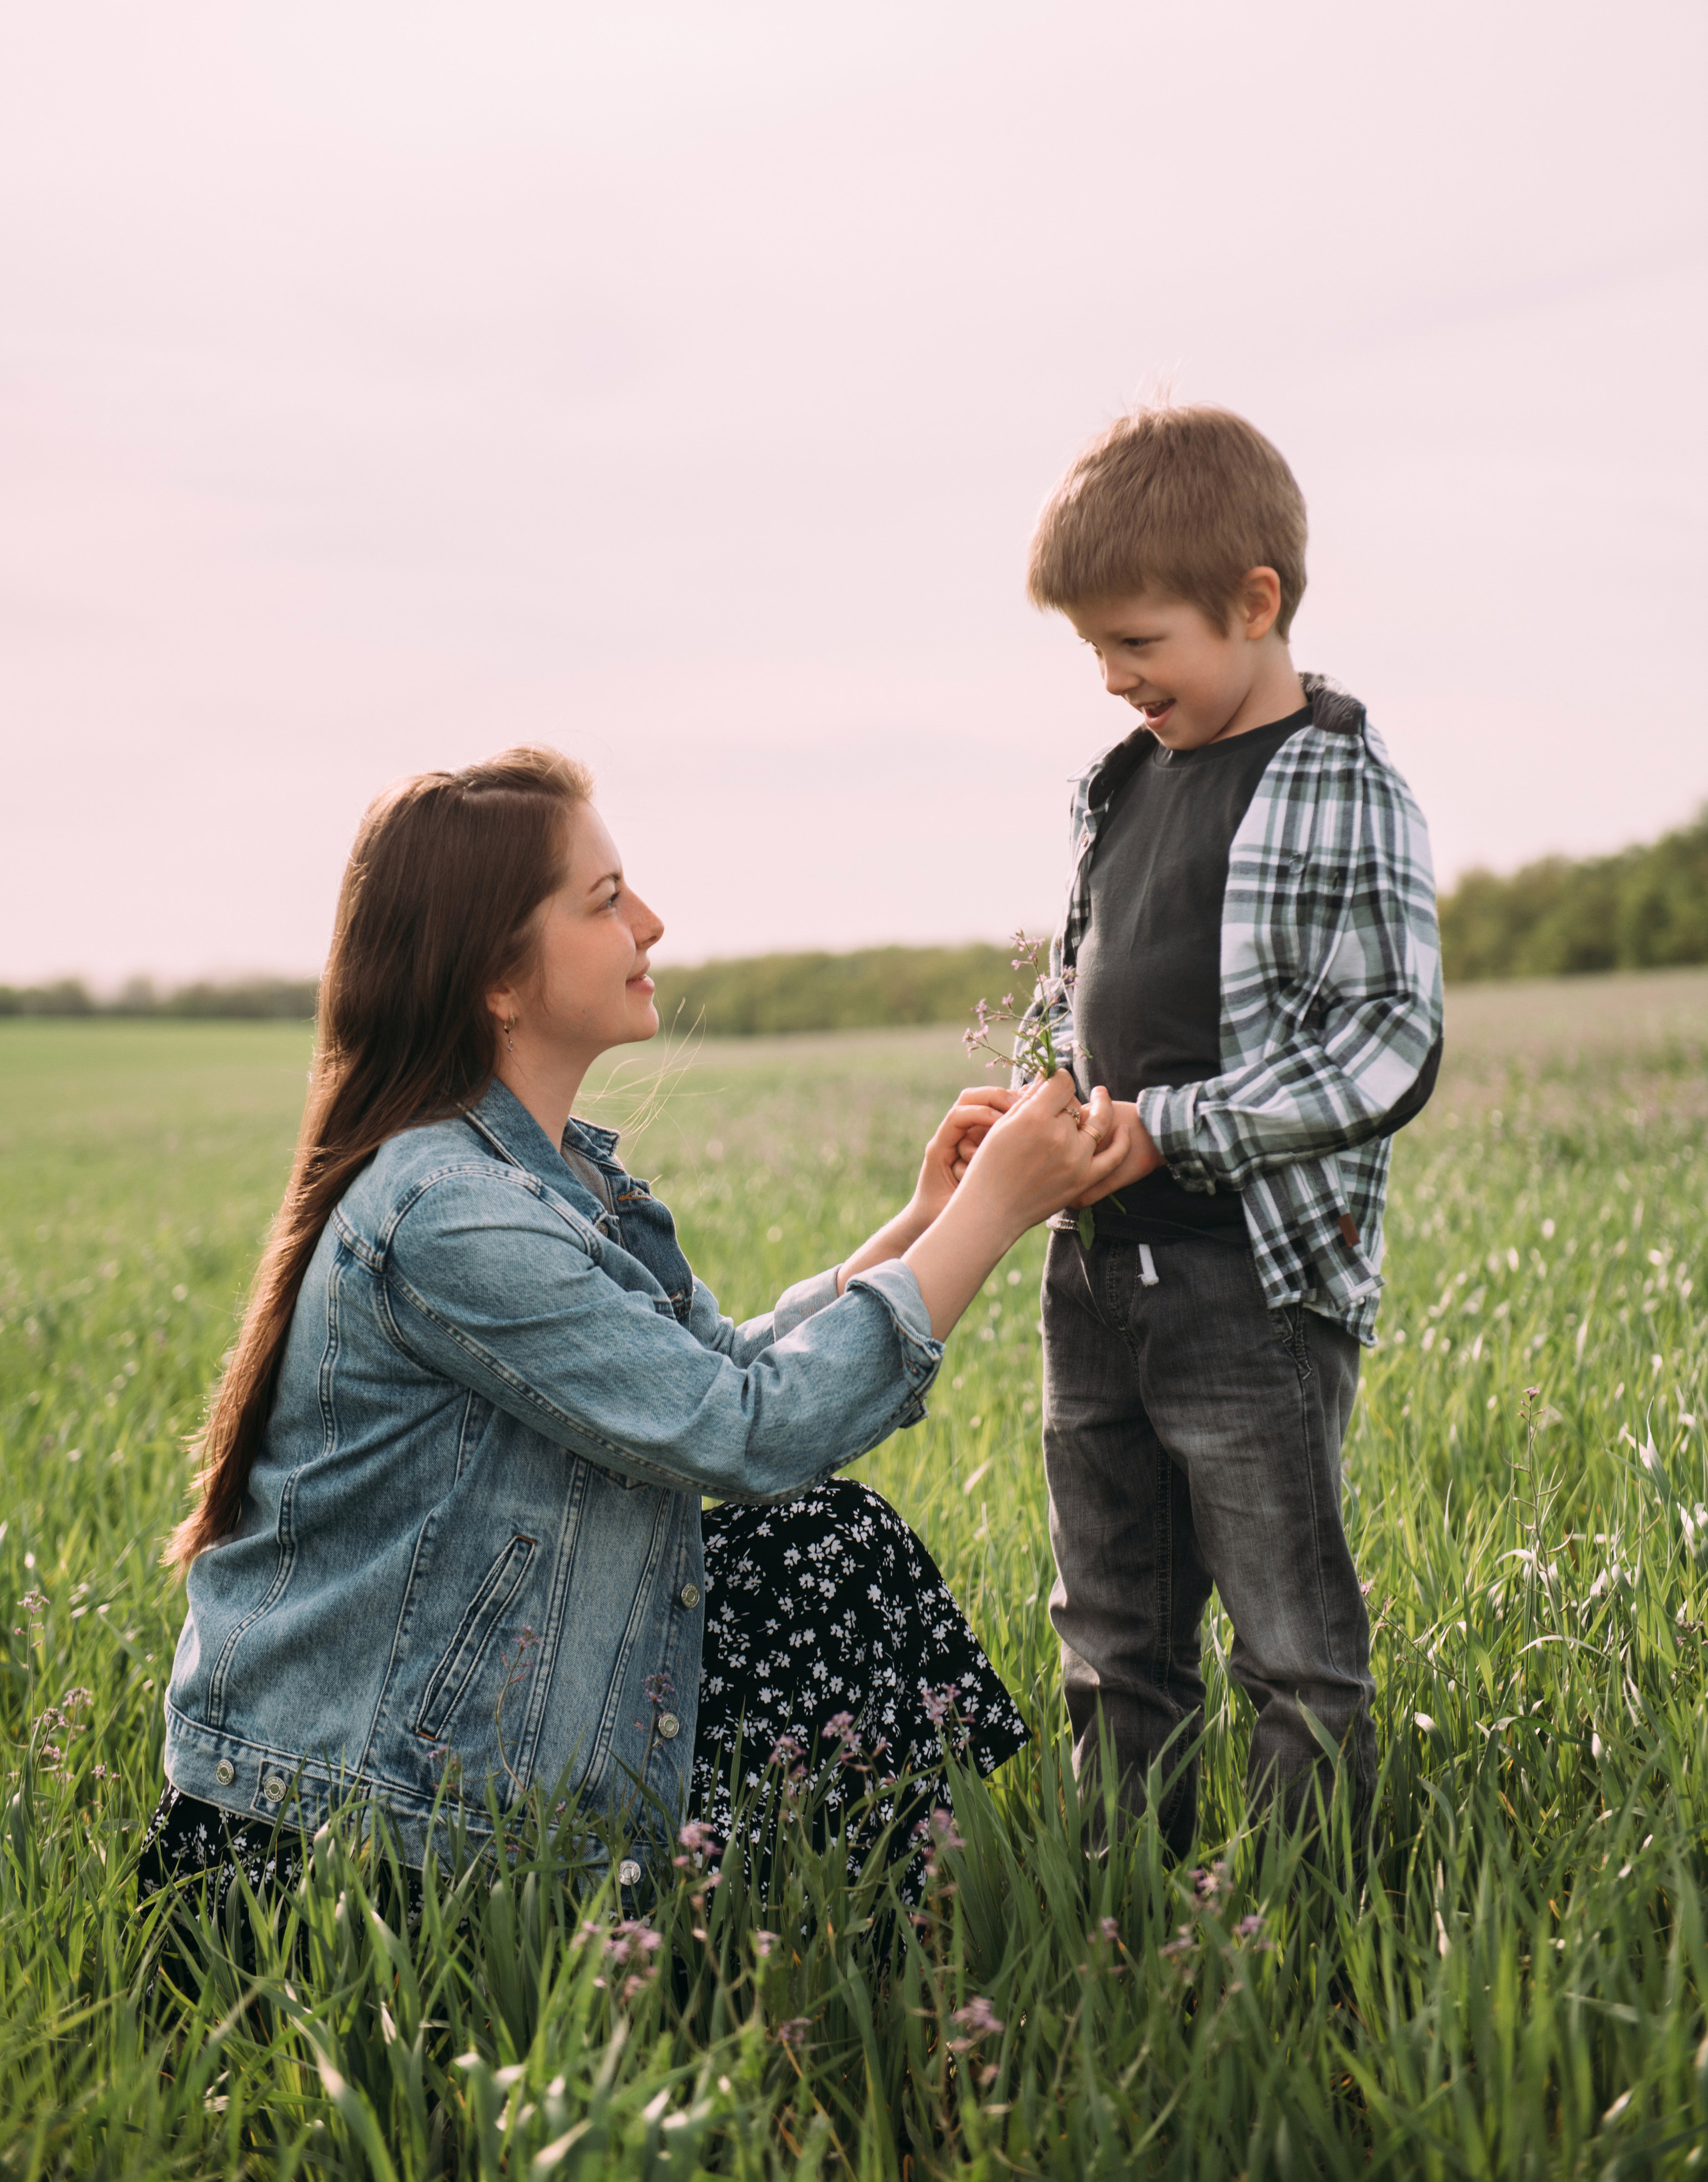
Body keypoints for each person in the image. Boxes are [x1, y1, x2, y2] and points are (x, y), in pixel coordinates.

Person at [142, 747, 1125, 1910]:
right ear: (494, 980)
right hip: (346, 1842)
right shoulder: (447, 1213)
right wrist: (997, 1214)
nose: (650, 924)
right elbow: (746, 1436)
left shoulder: (551, 1178)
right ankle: (842, 1992)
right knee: (819, 1546)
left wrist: (929, 1220)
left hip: (458, 1764)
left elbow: (713, 1374)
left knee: (829, 1552)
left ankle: (851, 1975)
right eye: (604, 902)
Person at [1014, 405, 1442, 1850]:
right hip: (1093, 1281)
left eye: (1139, 642)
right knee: (1110, 1623)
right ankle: (1127, 1885)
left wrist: (1173, 1129)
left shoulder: (1336, 781)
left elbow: (1385, 1044)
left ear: (1252, 603)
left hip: (1247, 1289)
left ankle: (1299, 1919)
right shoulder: (1116, 785)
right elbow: (1078, 996)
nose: (1115, 677)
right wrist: (1038, 1108)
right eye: (1094, 652)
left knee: (1288, 1642)